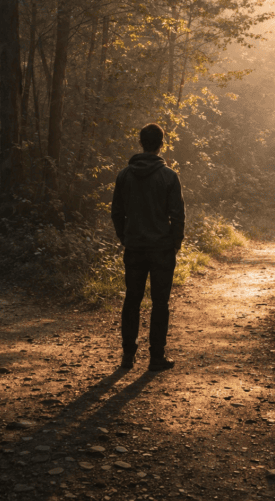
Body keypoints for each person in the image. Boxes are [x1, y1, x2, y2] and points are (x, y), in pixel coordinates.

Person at [111, 123, 185, 371]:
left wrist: (125, 237)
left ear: (141, 143)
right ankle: (156, 358)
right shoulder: (169, 177)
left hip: (134, 247)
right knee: (160, 302)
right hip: (162, 248)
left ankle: (127, 356)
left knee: (132, 299)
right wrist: (175, 243)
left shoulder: (124, 175)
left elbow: (117, 212)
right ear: (161, 143)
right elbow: (178, 215)